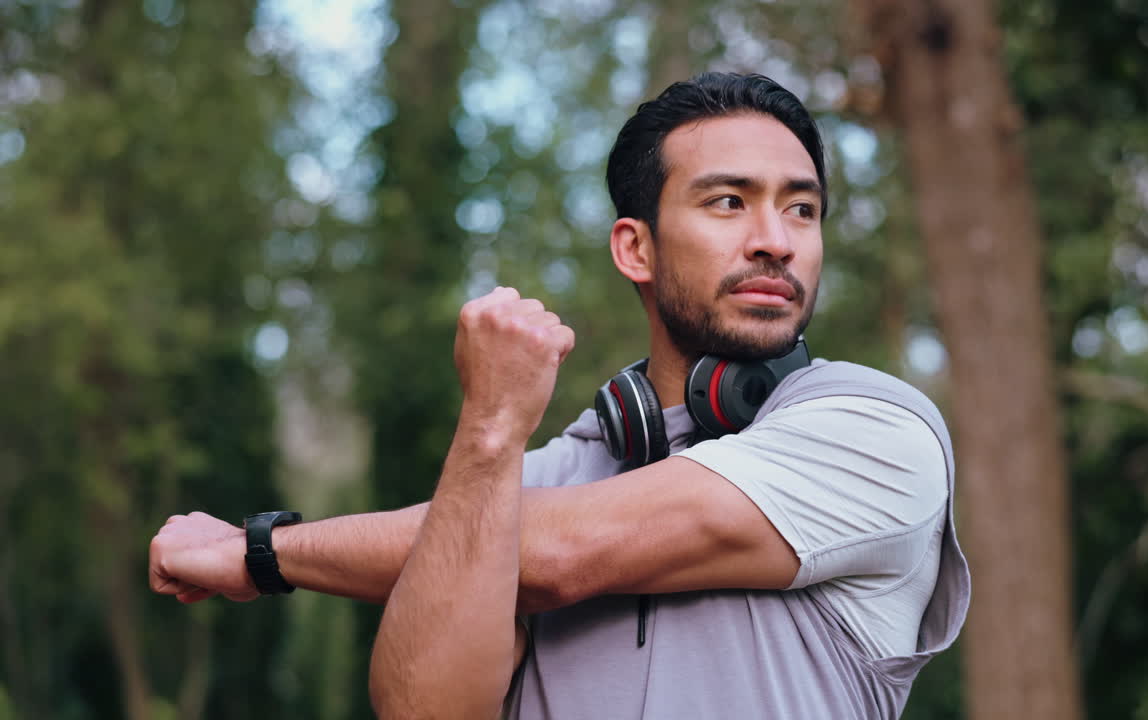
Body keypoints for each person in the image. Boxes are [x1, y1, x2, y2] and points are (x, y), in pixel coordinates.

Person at [149, 72, 969, 719]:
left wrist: (261, 553)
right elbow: (423, 710)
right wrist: (490, 430)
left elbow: (555, 553)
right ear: (635, 247)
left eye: (803, 208)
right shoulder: (525, 477)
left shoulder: (876, 431)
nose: (776, 240)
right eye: (729, 201)